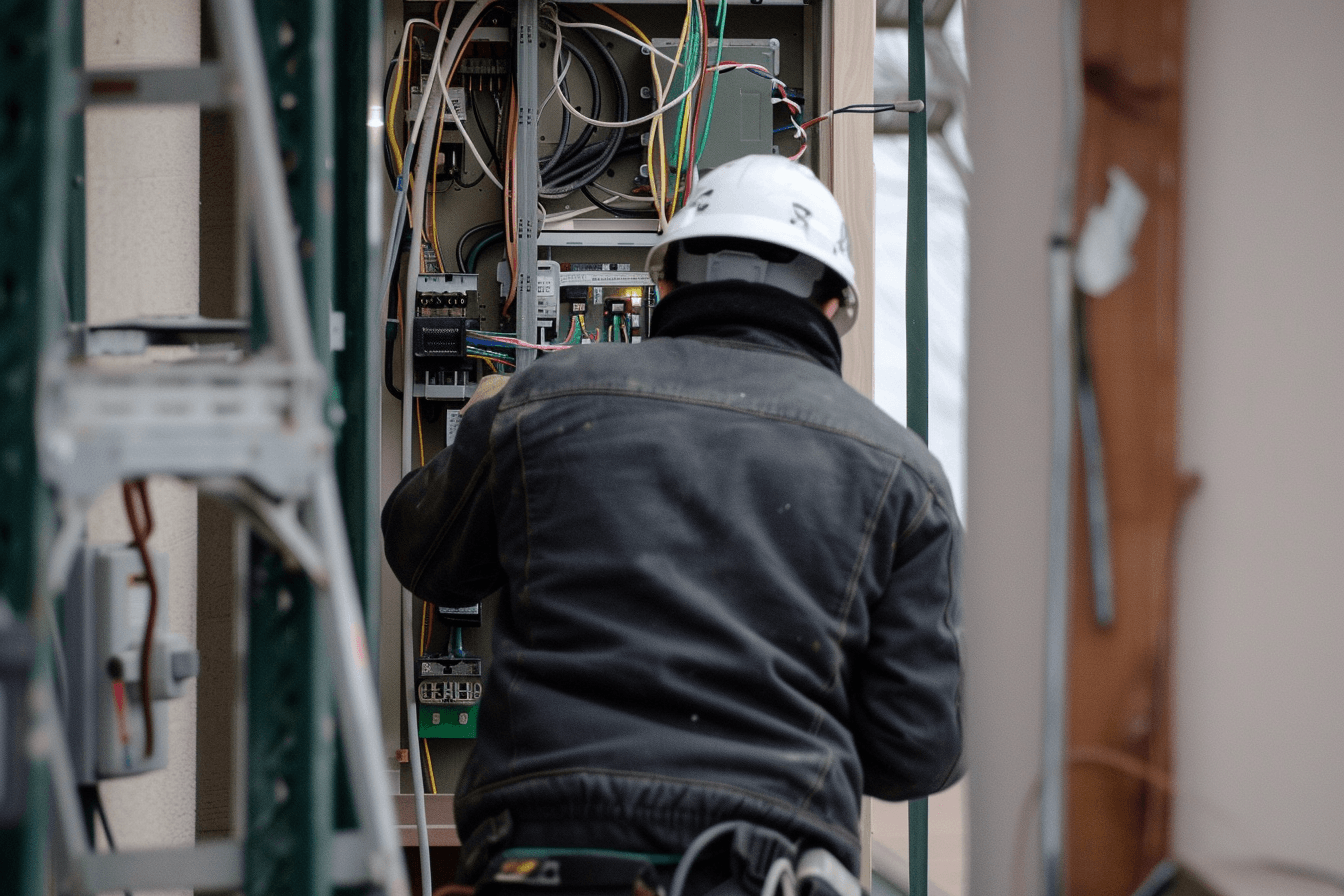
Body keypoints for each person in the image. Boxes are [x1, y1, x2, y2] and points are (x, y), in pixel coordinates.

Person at [382, 154, 963, 896]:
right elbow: (920, 749)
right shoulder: (903, 474)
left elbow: (420, 550)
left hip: (542, 853)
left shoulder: (540, 403)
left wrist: (484, 431)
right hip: (761, 865)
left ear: (667, 282)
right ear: (831, 308)